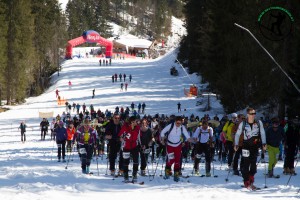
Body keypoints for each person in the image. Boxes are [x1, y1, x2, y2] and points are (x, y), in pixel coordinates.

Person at [234, 108, 266, 190]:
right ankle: (246, 181)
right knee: (246, 163)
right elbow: (237, 134)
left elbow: (262, 133)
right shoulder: (243, 123)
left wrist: (264, 143)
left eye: (254, 113)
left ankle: (251, 180)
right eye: (251, 113)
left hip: (255, 146)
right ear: (248, 114)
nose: (253, 115)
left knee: (253, 163)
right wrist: (236, 144)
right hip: (246, 145)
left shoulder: (258, 122)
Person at [160, 116, 192, 182]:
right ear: (175, 122)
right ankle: (167, 173)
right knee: (171, 160)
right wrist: (163, 139)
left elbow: (187, 135)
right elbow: (162, 132)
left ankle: (176, 176)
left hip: (178, 146)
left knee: (177, 161)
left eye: (179, 123)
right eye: (177, 123)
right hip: (170, 146)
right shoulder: (170, 126)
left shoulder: (182, 127)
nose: (178, 125)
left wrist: (191, 140)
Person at [118, 116, 141, 182]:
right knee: (126, 161)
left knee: (136, 161)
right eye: (135, 121)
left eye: (137, 121)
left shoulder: (138, 128)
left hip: (134, 146)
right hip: (126, 146)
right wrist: (121, 138)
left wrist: (141, 145)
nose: (137, 122)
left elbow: (139, 137)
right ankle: (126, 175)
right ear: (132, 122)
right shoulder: (125, 127)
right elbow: (120, 135)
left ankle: (134, 174)